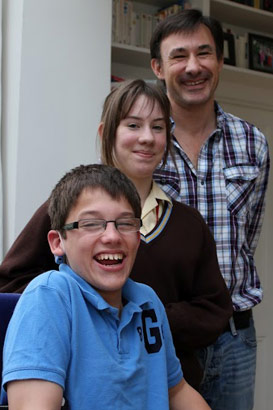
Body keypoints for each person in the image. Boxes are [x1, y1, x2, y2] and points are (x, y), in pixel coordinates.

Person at [0, 80, 232, 389]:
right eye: (133, 125)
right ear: (106, 133)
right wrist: (94, 314)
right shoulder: (68, 209)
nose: (147, 138)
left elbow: (214, 310)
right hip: (86, 389)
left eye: (158, 127)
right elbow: (12, 282)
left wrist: (142, 316)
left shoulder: (189, 223)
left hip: (168, 389)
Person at [2, 164, 212, 410]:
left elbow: (177, 391)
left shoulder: (148, 301)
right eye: (91, 224)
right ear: (58, 242)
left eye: (125, 223)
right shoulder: (50, 295)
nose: (112, 236)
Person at [150, 9, 270, 410]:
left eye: (205, 53)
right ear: (158, 67)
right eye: (179, 56)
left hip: (234, 336)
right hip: (161, 334)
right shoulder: (141, 142)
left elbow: (248, 236)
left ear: (220, 61)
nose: (194, 67)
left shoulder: (254, 143)